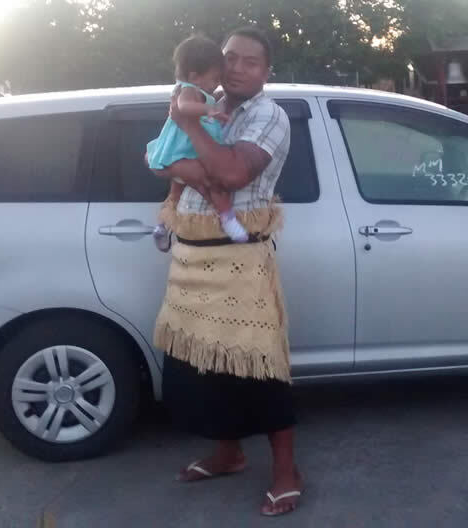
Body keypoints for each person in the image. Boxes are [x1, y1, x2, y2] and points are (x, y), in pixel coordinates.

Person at [151, 26, 302, 517]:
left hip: (240, 264)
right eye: (230, 57)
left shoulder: (267, 115)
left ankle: (286, 472)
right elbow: (159, 161)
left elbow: (233, 174)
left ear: (266, 72)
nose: (236, 68)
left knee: (259, 369)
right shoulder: (203, 102)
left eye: (249, 62)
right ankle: (228, 453)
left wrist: (190, 128)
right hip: (190, 259)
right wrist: (186, 149)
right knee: (206, 371)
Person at [147, 35, 249, 251]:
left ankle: (162, 226)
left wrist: (211, 100)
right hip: (185, 151)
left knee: (174, 194)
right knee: (213, 185)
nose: (217, 84)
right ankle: (227, 218)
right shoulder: (187, 90)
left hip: (180, 153)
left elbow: (203, 98)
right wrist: (209, 110)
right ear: (194, 76)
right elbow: (184, 107)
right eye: (214, 79)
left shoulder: (196, 89)